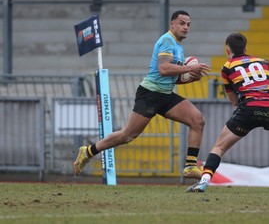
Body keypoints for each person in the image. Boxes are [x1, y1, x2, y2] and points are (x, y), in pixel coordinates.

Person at [73, 10, 211, 179]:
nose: (186, 27)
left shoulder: (178, 46)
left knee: (197, 120)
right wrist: (190, 68)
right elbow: (163, 69)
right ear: (172, 24)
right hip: (150, 94)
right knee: (127, 135)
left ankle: (190, 166)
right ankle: (88, 151)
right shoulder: (167, 40)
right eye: (182, 23)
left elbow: (172, 78)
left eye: (188, 24)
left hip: (166, 95)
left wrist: (191, 79)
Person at [186, 32, 269, 193]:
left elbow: (234, 101)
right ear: (246, 48)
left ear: (228, 50)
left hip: (247, 110)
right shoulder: (264, 63)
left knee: (219, 147)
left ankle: (204, 181)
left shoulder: (227, 67)